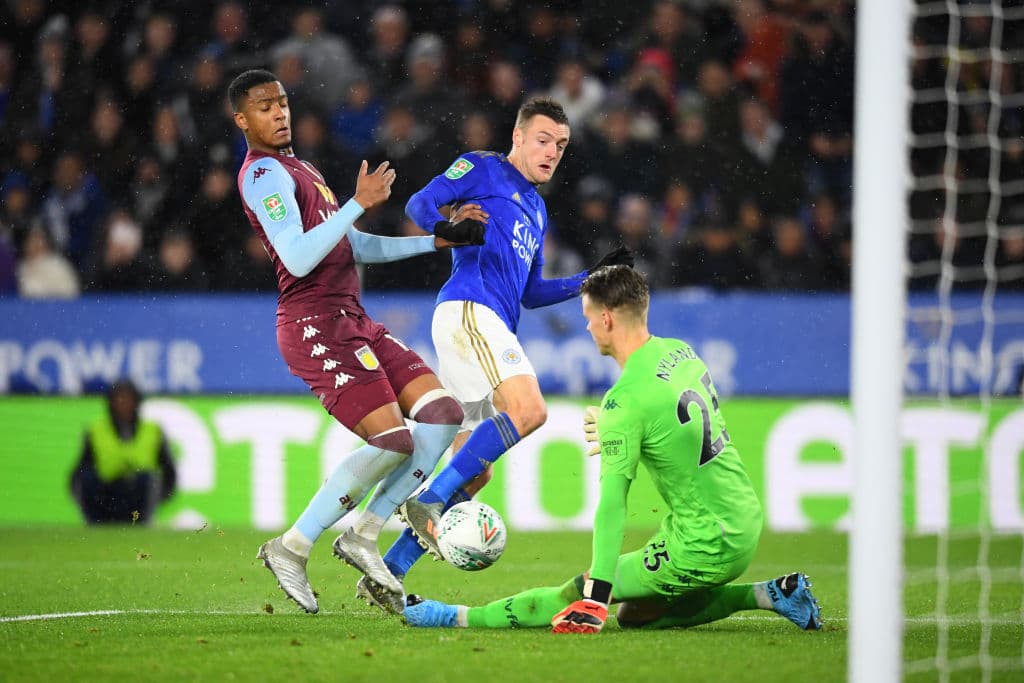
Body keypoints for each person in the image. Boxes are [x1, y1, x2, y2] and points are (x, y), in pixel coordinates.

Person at [404, 265, 823, 633]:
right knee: (636, 615)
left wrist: (596, 594)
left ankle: (453, 616)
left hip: (706, 541)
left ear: (606, 319)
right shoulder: (681, 353)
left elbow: (612, 505)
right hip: (741, 517)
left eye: (588, 317)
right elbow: (674, 424)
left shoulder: (625, 400)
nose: (587, 328)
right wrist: (616, 427)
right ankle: (772, 593)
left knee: (573, 592)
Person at [229, 69, 486, 615]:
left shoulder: (303, 170)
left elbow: (355, 247)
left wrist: (436, 241)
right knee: (392, 439)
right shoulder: (263, 175)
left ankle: (363, 534)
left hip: (353, 318)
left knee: (442, 414)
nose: (278, 112)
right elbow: (299, 258)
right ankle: (292, 545)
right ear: (242, 119)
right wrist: (356, 203)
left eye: (282, 102)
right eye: (264, 106)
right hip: (313, 322)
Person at [377, 98, 634, 610]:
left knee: (476, 472)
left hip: (485, 321)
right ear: (517, 137)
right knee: (530, 410)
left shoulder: (537, 210)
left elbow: (531, 292)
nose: (552, 152)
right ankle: (429, 499)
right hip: (470, 309)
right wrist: (447, 228)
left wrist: (591, 279)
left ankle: (389, 570)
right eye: (542, 140)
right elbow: (420, 203)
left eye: (560, 145)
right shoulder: (483, 167)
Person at [70, 379, 176, 524]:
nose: (124, 405)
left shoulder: (152, 431)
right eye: (119, 400)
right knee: (88, 477)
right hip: (106, 495)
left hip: (138, 497)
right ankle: (95, 524)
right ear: (110, 403)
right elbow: (79, 471)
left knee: (149, 479)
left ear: (137, 403)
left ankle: (142, 522)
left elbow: (169, 471)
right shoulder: (96, 431)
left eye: (128, 400)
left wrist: (161, 498)